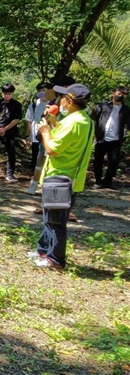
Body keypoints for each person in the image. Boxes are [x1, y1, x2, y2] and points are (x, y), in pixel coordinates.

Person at [30, 84, 94, 270]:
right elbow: (64, 139)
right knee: (50, 218)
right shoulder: (83, 120)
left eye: (63, 96)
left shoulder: (74, 122)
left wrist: (44, 132)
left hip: (61, 177)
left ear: (70, 101)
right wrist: (52, 122)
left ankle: (55, 260)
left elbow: (52, 149)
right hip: (69, 177)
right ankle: (43, 250)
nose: (60, 100)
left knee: (55, 222)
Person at [90, 85, 129, 190]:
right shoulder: (103, 105)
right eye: (119, 93)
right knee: (98, 160)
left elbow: (128, 124)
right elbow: (93, 119)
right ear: (113, 93)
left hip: (116, 139)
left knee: (114, 161)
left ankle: (108, 181)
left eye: (124, 94)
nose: (121, 96)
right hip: (101, 138)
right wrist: (93, 133)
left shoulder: (126, 110)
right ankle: (98, 181)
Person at [26, 82, 53, 195]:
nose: (42, 93)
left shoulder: (53, 104)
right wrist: (27, 135)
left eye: (44, 90)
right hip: (36, 135)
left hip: (49, 136)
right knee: (36, 159)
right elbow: (29, 120)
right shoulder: (34, 104)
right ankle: (34, 182)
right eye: (39, 91)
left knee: (47, 160)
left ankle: (44, 183)